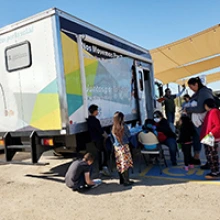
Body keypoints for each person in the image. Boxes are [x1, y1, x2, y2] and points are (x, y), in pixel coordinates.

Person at [184, 77, 214, 166]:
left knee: (208, 144)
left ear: (196, 84)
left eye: (191, 87)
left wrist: (188, 109)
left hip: (204, 123)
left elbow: (200, 108)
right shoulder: (200, 92)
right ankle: (205, 161)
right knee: (202, 141)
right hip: (200, 123)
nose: (191, 89)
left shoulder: (203, 92)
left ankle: (212, 163)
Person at [111, 111, 134, 186]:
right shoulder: (124, 126)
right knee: (125, 164)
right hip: (124, 146)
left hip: (117, 147)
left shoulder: (113, 127)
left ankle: (121, 179)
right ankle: (126, 181)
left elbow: (112, 139)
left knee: (119, 163)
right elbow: (129, 135)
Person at [87, 104, 110, 176]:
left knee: (99, 153)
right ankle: (103, 166)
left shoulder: (89, 120)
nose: (97, 112)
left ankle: (101, 168)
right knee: (105, 152)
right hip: (98, 139)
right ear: (94, 111)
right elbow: (100, 130)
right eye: (97, 110)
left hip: (94, 138)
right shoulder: (95, 120)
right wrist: (106, 136)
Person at [200, 99, 220, 180]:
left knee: (212, 155)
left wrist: (210, 134)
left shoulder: (214, 112)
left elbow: (217, 125)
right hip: (209, 136)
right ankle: (214, 171)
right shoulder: (212, 112)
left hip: (211, 137)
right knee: (210, 155)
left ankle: (215, 172)